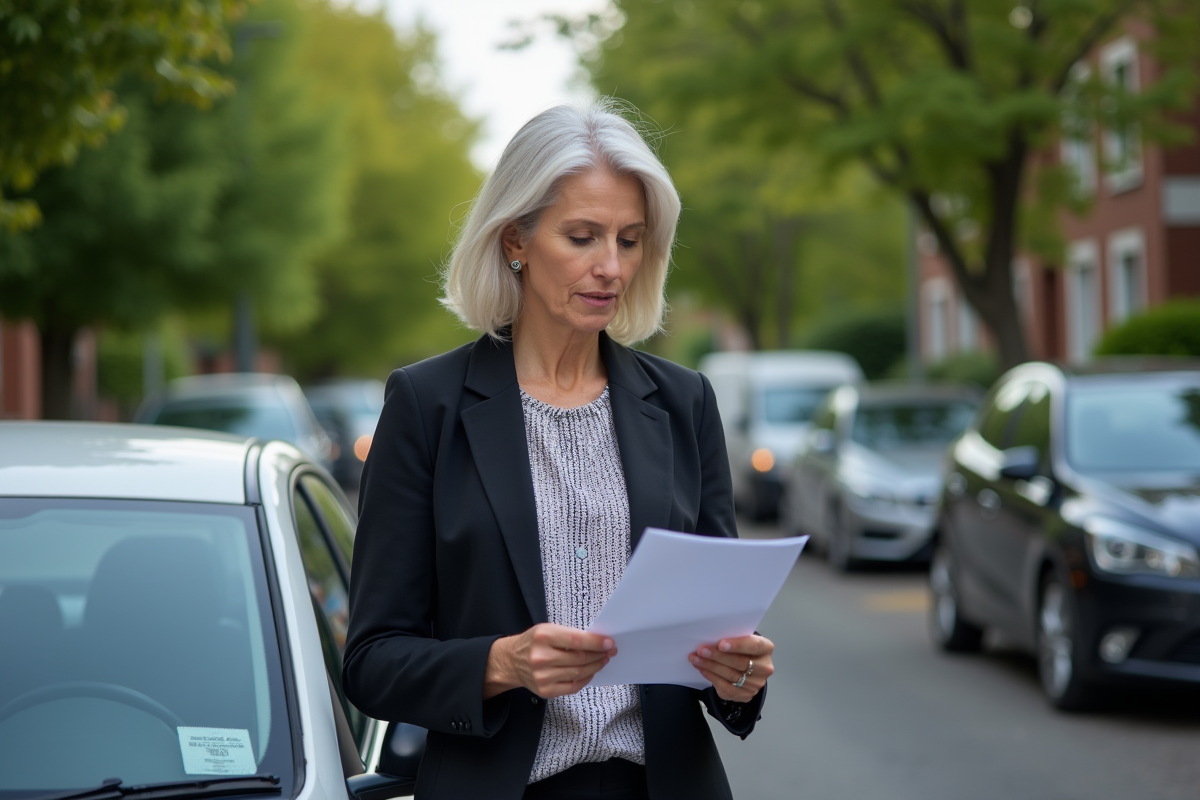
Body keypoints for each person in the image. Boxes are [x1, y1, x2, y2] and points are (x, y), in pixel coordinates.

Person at [343, 102, 775, 800]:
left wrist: (737, 676)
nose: (611, 267)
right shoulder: (426, 407)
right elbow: (371, 661)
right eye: (583, 237)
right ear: (516, 239)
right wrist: (501, 662)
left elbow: (719, 639)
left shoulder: (684, 402)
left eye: (630, 241)